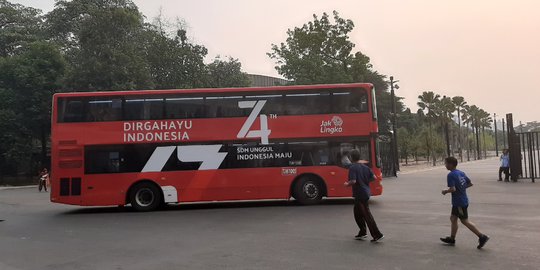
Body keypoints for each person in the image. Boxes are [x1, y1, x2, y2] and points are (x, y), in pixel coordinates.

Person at [440, 157, 489, 249]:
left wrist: (445, 191)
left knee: (464, 221)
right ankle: (452, 238)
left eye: (446, 163)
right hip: (462, 200)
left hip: (459, 202)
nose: (445, 165)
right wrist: (461, 188)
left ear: (450, 164)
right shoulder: (461, 173)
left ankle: (482, 236)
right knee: (453, 218)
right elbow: (470, 183)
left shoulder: (450, 175)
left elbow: (453, 189)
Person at [343, 149, 384, 242]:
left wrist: (346, 184)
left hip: (360, 194)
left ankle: (377, 234)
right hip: (365, 192)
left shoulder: (353, 167)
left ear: (351, 158)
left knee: (366, 215)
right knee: (357, 213)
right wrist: (365, 182)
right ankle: (362, 232)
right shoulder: (365, 167)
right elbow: (374, 177)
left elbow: (353, 181)